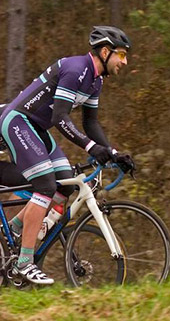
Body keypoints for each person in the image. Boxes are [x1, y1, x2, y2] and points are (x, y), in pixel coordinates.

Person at [0, 26, 136, 284]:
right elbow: (59, 117)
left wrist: (113, 153)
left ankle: (16, 230)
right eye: (121, 55)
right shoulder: (76, 70)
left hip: (36, 127)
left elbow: (91, 124)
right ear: (105, 52)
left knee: (66, 180)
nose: (125, 61)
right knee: (45, 185)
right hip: (18, 122)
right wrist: (90, 148)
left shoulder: (96, 80)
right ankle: (24, 263)